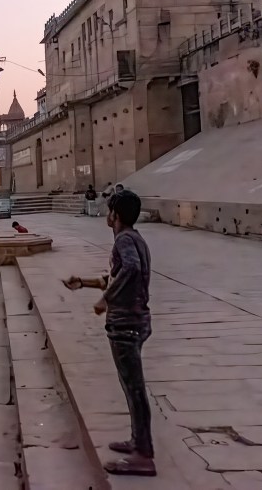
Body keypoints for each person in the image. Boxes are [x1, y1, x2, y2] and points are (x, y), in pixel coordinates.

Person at [62, 189, 155, 476]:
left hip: (126, 323)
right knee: (132, 388)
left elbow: (130, 270)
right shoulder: (135, 238)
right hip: (135, 321)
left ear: (116, 215)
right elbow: (117, 275)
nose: (107, 214)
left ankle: (143, 456)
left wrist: (106, 300)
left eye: (109, 210)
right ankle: (138, 441)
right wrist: (85, 283)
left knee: (134, 390)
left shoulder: (125, 239)